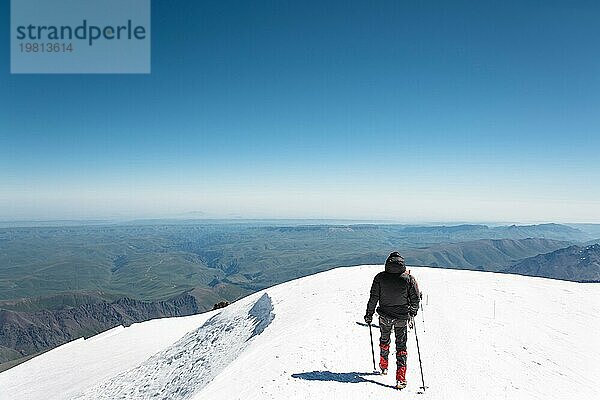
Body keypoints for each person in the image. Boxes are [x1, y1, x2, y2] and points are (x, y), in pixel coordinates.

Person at [364, 251, 420, 389]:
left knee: (384, 341)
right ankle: (400, 379)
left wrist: (369, 314)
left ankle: (383, 366)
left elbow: (373, 298)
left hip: (384, 317)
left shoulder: (379, 277)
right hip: (401, 317)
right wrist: (413, 312)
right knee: (401, 347)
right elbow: (415, 299)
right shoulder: (409, 279)